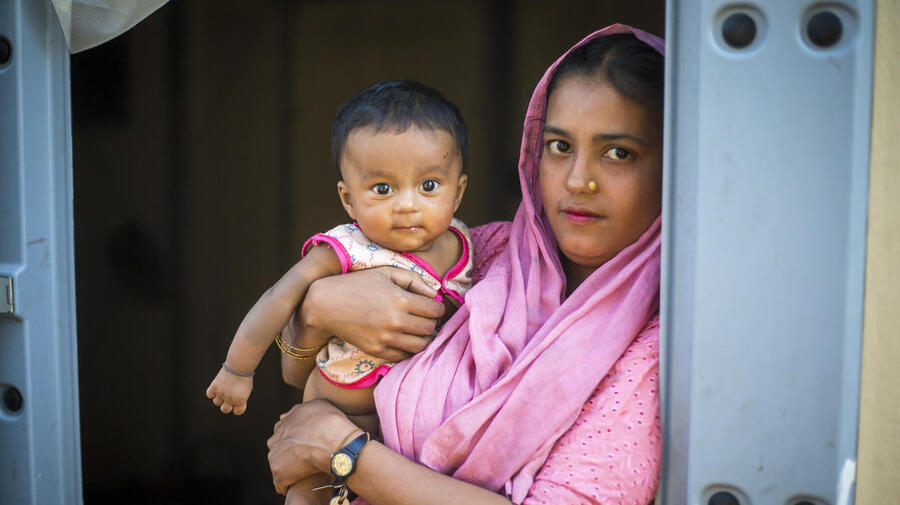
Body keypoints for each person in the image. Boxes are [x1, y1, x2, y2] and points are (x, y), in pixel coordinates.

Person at [268, 24, 664, 505]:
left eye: (618, 153)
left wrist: (341, 451)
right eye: (560, 147)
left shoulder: (660, 346)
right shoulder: (484, 252)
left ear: (673, 164)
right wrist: (317, 310)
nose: (580, 180)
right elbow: (303, 374)